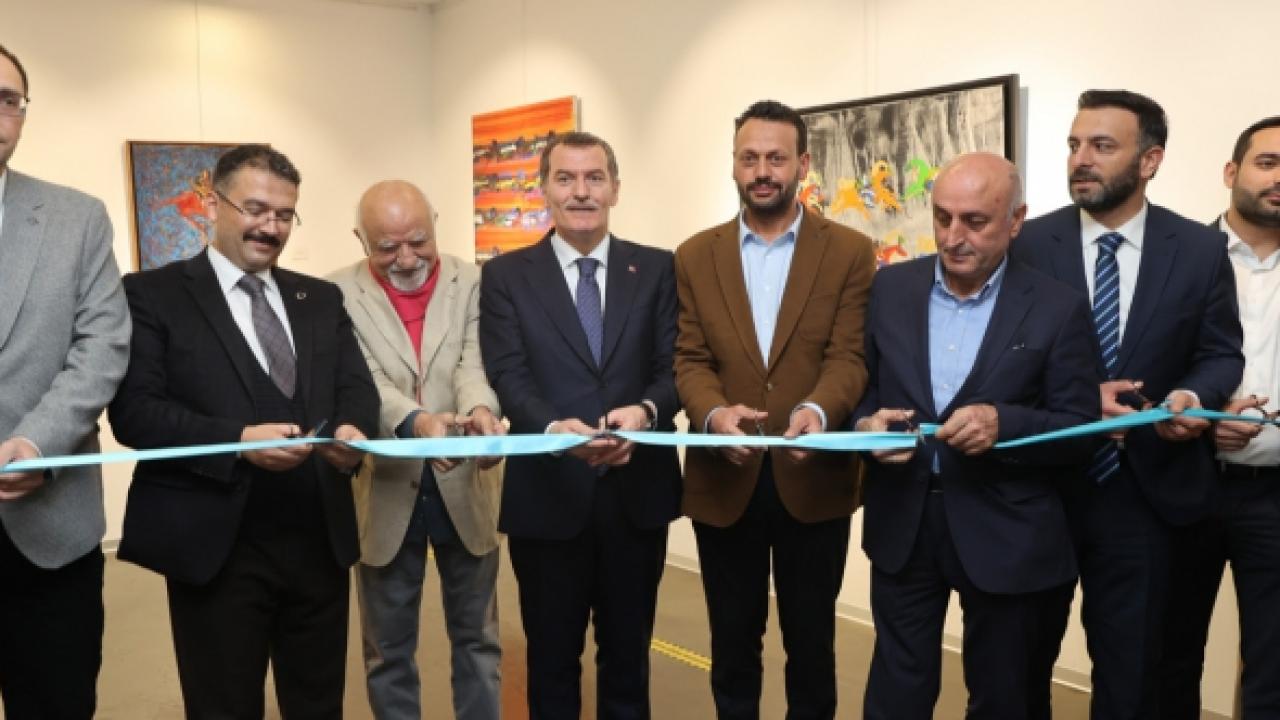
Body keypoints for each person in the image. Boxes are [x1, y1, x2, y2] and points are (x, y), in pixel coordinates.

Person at [108, 144, 380, 718]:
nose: (270, 227)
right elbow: (136, 413)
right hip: (216, 545)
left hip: (317, 539)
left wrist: (352, 432)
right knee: (223, 706)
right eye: (255, 209)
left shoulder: (319, 298)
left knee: (318, 705)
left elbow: (357, 389)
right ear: (212, 204)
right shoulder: (152, 295)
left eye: (284, 214)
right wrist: (237, 440)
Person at [1011, 89, 1244, 718]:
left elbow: (1221, 353)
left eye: (1102, 146)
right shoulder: (1028, 244)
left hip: (1144, 497)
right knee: (1017, 670)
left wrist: (1189, 398)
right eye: (1074, 144)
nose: (1080, 159)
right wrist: (1076, 403)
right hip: (1039, 494)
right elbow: (999, 363)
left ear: (1150, 161)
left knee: (1132, 676)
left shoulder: (1198, 249)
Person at [855, 152, 1100, 717]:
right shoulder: (891, 288)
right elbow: (860, 391)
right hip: (904, 523)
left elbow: (1080, 429)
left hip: (1006, 530)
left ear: (1016, 221)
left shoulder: (1057, 307)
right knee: (895, 694)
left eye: (975, 221)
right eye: (942, 217)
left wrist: (1004, 423)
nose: (952, 237)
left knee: (1003, 697)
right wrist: (867, 427)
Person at [673, 99, 875, 719]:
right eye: (749, 158)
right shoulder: (694, 255)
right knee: (732, 649)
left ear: (803, 164)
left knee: (811, 649)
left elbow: (849, 357)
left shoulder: (849, 251)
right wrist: (713, 416)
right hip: (723, 481)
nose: (762, 171)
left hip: (813, 479)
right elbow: (690, 359)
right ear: (734, 164)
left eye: (776, 158)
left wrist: (819, 408)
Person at [479, 131, 681, 719]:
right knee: (550, 664)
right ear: (544, 189)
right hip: (547, 498)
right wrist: (552, 428)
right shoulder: (506, 276)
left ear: (615, 188)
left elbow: (675, 367)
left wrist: (644, 414)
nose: (581, 191)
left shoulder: (658, 268)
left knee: (628, 663)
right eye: (565, 178)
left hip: (636, 497)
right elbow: (507, 371)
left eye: (595, 178)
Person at [328, 180, 503, 720]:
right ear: (360, 239)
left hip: (466, 480)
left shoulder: (474, 281)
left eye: (419, 241)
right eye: (387, 247)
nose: (406, 258)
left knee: (479, 642)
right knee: (387, 651)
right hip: (386, 486)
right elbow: (365, 379)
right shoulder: (335, 293)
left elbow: (474, 361)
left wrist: (480, 412)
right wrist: (419, 422)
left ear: (436, 224)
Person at [0, 43, 131, 719]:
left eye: (7, 100)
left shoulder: (77, 218)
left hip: (50, 534)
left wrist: (37, 442)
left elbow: (102, 345)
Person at [1160, 116, 1280, 718]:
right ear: (1232, 171)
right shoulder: (1175, 258)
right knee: (1166, 658)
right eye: (1268, 162)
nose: (1279, 178)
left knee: (1274, 670)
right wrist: (1205, 416)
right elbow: (1140, 365)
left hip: (1275, 495)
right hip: (1182, 483)